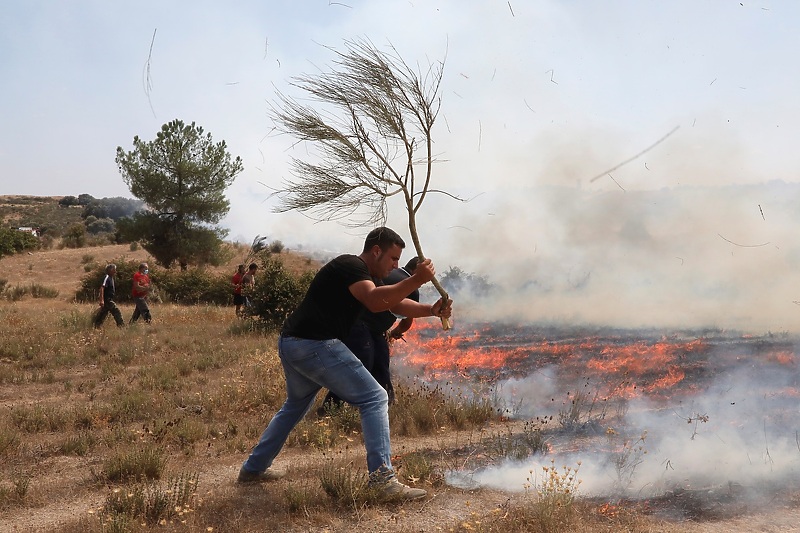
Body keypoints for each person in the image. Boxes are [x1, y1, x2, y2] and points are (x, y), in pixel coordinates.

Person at [237, 227, 452, 501]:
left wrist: (431, 311)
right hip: (313, 344)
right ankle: (383, 481)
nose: (396, 265)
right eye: (393, 259)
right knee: (375, 397)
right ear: (376, 251)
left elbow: (394, 306)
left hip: (293, 343)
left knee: (294, 407)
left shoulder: (366, 277)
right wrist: (417, 280)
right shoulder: (351, 266)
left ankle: (253, 468)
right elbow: (376, 302)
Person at [321, 257, 420, 408]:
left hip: (364, 326)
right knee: (363, 365)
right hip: (362, 327)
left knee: (380, 362)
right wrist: (395, 333)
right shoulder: (411, 288)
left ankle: (385, 404)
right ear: (417, 270)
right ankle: (331, 406)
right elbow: (406, 322)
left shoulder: (388, 273)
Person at [93, 263, 124, 328]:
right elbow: (102, 288)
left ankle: (96, 326)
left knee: (102, 314)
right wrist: (102, 300)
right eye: (114, 270)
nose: (115, 271)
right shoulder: (106, 277)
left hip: (108, 300)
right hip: (107, 300)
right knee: (116, 312)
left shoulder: (111, 278)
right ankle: (121, 326)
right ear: (110, 270)